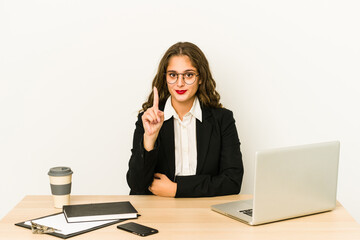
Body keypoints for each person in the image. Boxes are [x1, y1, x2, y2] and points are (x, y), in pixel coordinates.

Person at [127, 42, 244, 197]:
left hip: (206, 213)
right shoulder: (148, 118)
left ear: (200, 78)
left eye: (188, 75)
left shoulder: (222, 119)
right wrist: (149, 139)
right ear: (165, 78)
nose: (180, 83)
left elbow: (232, 182)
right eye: (173, 75)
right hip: (159, 213)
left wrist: (176, 189)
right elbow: (137, 186)